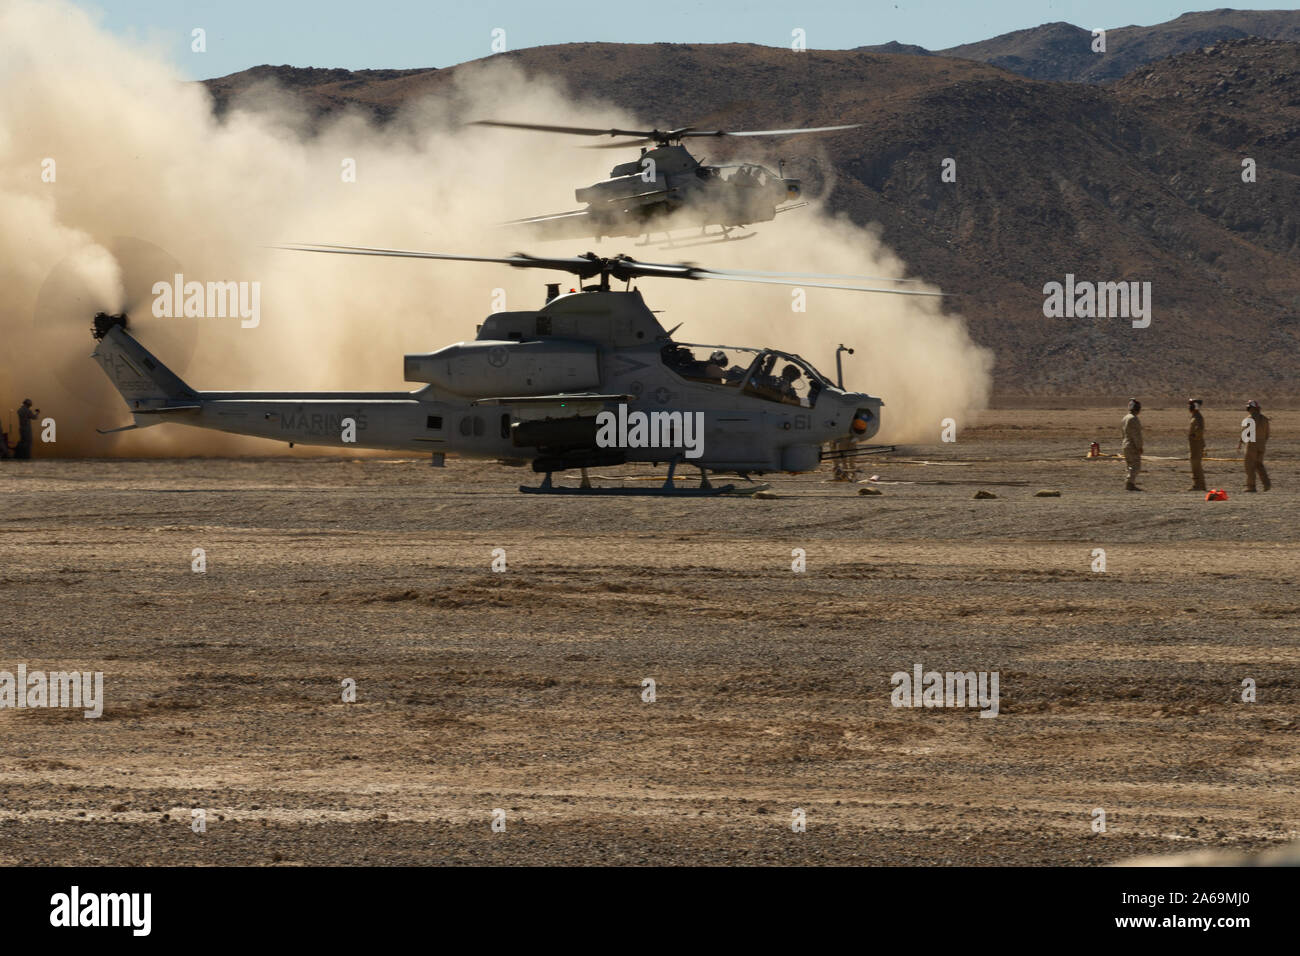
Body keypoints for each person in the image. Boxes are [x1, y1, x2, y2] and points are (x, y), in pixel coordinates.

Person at [1239, 400, 1271, 492]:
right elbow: (1267, 434)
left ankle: (1251, 486)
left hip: (1252, 444)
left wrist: (1243, 442)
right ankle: (1267, 484)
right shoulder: (1265, 419)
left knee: (1249, 466)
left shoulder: (1249, 418)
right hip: (1262, 445)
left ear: (1250, 408)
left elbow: (1245, 435)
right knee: (1259, 465)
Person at [1121, 398, 1143, 491]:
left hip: (1125, 444)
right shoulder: (1133, 419)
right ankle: (1130, 483)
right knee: (1136, 465)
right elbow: (1136, 435)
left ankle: (1129, 482)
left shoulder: (1125, 418)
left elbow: (1123, 433)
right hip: (1132, 445)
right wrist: (1139, 446)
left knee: (1129, 465)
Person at [1187, 398, 1206, 491]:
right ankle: (1198, 484)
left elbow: (1200, 430)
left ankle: (1199, 485)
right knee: (1195, 465)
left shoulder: (1197, 417)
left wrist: (1194, 436)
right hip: (1194, 445)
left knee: (1196, 465)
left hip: (1196, 445)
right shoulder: (1195, 416)